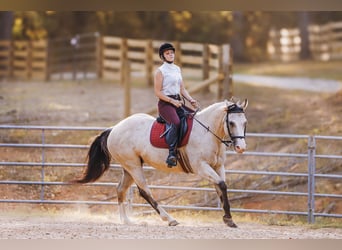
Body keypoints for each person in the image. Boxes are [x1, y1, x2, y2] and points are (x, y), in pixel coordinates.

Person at [154, 42, 199, 167]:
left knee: (193, 117)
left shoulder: (177, 69)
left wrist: (191, 100)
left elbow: (182, 89)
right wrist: (172, 101)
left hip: (178, 101)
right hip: (165, 104)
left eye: (172, 53)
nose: (170, 55)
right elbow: (157, 92)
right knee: (176, 122)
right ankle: (172, 154)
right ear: (163, 56)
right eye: (167, 53)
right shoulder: (160, 71)